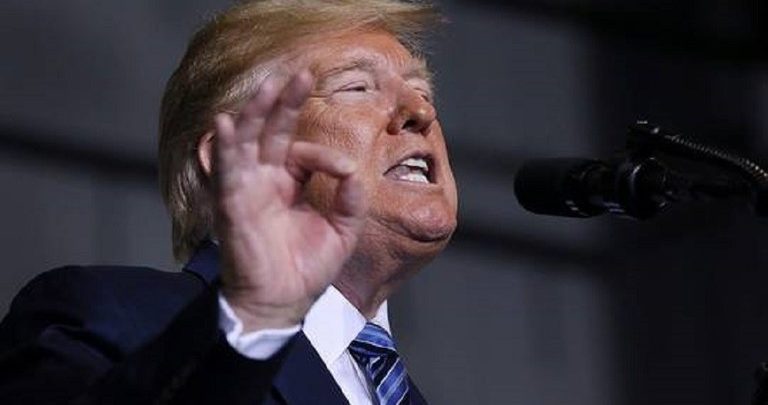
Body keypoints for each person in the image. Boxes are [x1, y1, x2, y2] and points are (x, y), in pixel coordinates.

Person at [0, 0, 458, 404]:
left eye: (423, 92)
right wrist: (252, 319)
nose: (423, 112)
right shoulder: (109, 316)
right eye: (356, 87)